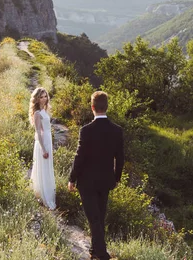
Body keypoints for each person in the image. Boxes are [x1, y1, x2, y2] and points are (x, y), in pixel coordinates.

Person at [68, 91, 124, 260]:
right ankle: (94, 251)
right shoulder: (117, 130)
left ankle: (102, 254)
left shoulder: (86, 130)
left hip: (87, 182)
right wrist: (116, 178)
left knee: (94, 218)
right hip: (106, 181)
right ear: (106, 107)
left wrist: (72, 178)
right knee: (98, 216)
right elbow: (120, 157)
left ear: (92, 107)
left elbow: (80, 157)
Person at [29, 87, 56, 210]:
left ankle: (45, 191)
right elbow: (38, 133)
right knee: (43, 168)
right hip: (42, 143)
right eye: (41, 97)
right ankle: (44, 195)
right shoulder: (37, 113)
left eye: (45, 96)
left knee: (47, 167)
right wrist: (43, 149)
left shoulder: (44, 111)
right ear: (37, 99)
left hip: (48, 141)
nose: (44, 99)